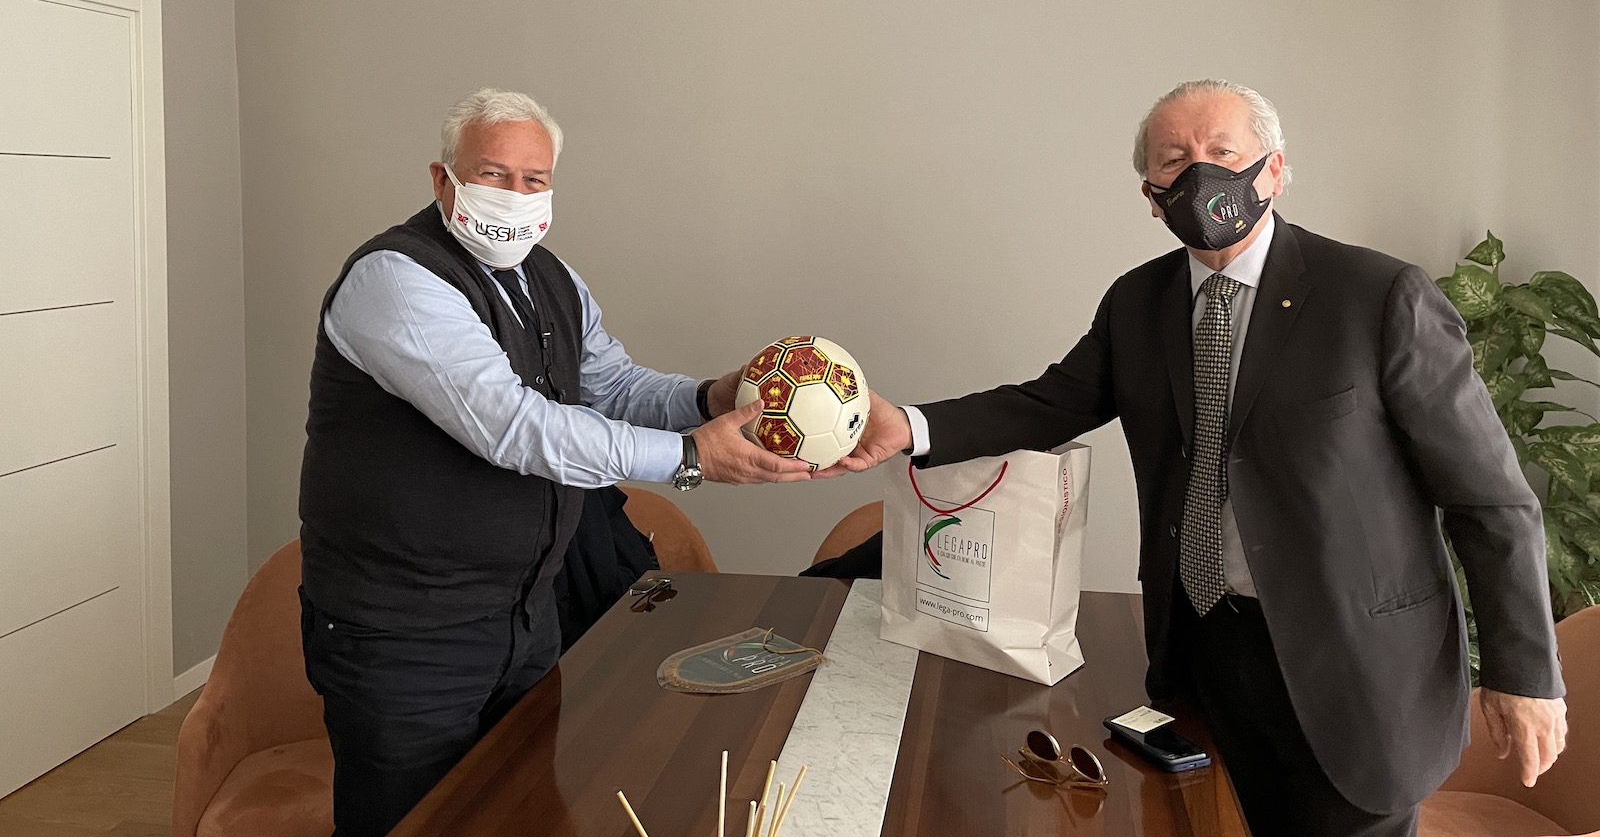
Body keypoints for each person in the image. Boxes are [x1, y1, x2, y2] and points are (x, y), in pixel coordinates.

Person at [835, 79, 1567, 836]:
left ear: (1274, 170)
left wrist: (1524, 674)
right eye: (1174, 160)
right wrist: (908, 426)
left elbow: (1489, 498)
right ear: (1152, 197)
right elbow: (1050, 403)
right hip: (1200, 652)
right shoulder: (1137, 303)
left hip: (1354, 671)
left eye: (1222, 151)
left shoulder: (1378, 297)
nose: (1200, 174)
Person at [298, 88, 809, 837]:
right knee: (412, 824)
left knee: (519, 812)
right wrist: (690, 457)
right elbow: (514, 427)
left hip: (528, 616)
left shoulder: (554, 280)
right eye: (493, 174)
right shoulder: (395, 280)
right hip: (406, 636)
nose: (515, 195)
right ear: (443, 179)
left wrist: (712, 397)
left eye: (533, 179)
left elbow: (616, 386)